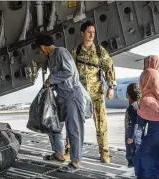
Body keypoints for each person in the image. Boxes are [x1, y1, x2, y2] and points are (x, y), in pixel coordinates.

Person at [65, 20, 117, 163]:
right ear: (82, 33)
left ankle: (104, 154)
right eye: (89, 32)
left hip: (96, 94)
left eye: (93, 32)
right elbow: (69, 71)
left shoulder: (100, 51)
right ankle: (68, 151)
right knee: (73, 123)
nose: (91, 35)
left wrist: (111, 86)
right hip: (79, 94)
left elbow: (109, 67)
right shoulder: (75, 52)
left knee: (101, 125)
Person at [35, 34, 85, 172]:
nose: (41, 52)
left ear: (42, 47)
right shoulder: (51, 57)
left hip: (71, 96)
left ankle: (75, 162)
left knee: (74, 129)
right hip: (61, 96)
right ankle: (59, 153)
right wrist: (50, 85)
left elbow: (68, 71)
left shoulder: (61, 52)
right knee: (52, 123)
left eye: (40, 50)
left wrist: (51, 79)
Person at [124, 83, 142, 168]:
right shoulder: (139, 106)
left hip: (132, 137)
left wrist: (131, 137)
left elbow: (134, 123)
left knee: (132, 157)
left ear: (128, 94)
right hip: (138, 136)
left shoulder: (131, 108)